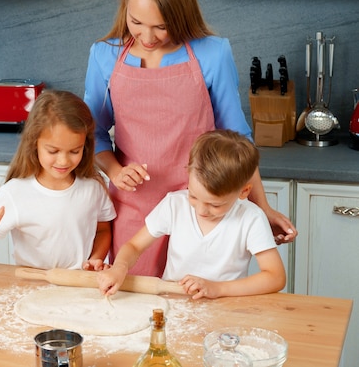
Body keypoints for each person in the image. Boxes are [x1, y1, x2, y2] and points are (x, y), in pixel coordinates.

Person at [83, 0, 296, 277]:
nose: (148, 37)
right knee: (138, 312)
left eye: (161, 26)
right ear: (125, 4)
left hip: (204, 205)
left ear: (181, 14)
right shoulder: (104, 55)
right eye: (136, 22)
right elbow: (94, 132)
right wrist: (114, 170)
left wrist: (261, 208)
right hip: (133, 208)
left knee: (198, 308)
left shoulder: (213, 53)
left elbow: (237, 139)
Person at [97, 129, 286, 300]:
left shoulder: (251, 219)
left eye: (215, 204)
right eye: (193, 196)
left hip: (226, 308)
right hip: (172, 305)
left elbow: (275, 277)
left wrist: (217, 289)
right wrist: (119, 268)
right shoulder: (175, 205)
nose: (201, 210)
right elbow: (134, 245)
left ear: (244, 192)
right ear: (188, 175)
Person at [0, 90, 116, 270]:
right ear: (34, 143)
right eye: (53, 151)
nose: (64, 161)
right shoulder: (15, 192)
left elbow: (103, 230)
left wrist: (95, 259)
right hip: (31, 285)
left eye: (75, 151)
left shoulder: (92, 187)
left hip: (78, 284)